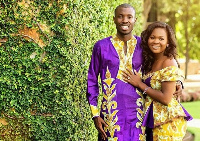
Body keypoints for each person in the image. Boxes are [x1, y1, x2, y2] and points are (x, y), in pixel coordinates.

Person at [87, 4, 182, 141]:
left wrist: (178, 81)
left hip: (139, 118)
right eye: (120, 16)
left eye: (129, 17)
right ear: (114, 19)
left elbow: (165, 61)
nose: (125, 20)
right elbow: (92, 80)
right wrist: (95, 115)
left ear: (135, 20)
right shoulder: (101, 47)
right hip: (110, 117)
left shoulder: (143, 46)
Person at [122, 21, 193, 140]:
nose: (156, 41)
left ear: (168, 42)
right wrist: (179, 81)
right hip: (154, 120)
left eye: (161, 39)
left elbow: (166, 98)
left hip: (167, 123)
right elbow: (174, 76)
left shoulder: (168, 61)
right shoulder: (150, 61)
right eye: (152, 37)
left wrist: (140, 84)